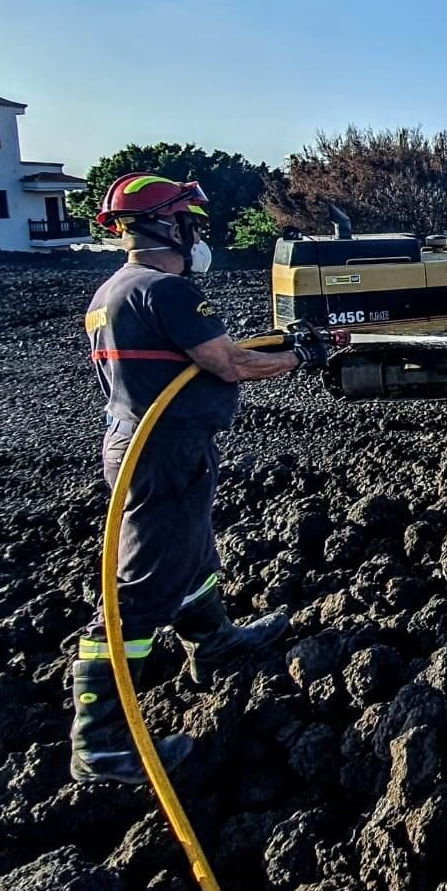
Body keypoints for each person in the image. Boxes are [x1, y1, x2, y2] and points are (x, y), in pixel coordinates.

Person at [71, 173, 330, 785]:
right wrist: (303, 355)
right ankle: (99, 740)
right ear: (166, 225)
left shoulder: (112, 291)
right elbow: (231, 363)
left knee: (192, 556)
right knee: (139, 590)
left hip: (137, 444)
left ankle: (213, 644)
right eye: (190, 220)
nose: (197, 232)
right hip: (164, 451)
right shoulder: (168, 291)